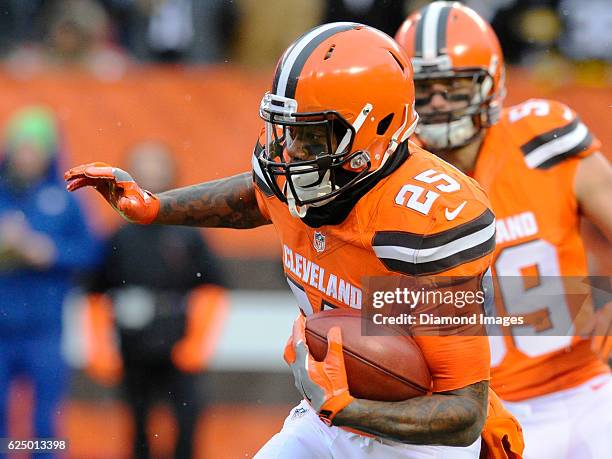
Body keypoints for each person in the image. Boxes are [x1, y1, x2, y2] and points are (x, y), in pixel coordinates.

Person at [65, 23, 523, 458]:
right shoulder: (303, 181)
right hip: (327, 419)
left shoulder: (425, 220)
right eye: (287, 130)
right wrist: (153, 206)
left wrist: (349, 408)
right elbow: (254, 197)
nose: (288, 154)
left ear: (374, 128)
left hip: (419, 442)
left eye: (310, 137)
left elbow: (464, 411)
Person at [394, 3, 612, 458]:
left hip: (580, 389)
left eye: (452, 86)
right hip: (469, 412)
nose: (436, 101)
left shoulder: (541, 139)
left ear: (490, 83)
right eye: (423, 88)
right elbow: (374, 307)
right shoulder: (389, 181)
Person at [87, 141, 227, 459]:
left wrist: (197, 344)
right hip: (133, 345)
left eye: (157, 164)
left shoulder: (189, 231)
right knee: (137, 426)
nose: (151, 172)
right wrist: (100, 349)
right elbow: (96, 293)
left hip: (177, 343)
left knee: (187, 422)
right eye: (143, 165)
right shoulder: (119, 237)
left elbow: (212, 289)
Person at [0, 106, 100, 455]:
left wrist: (48, 252)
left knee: (46, 422)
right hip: (1, 327)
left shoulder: (66, 199)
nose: (26, 156)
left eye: (35, 148)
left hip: (44, 327)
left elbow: (91, 252)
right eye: (21, 147)